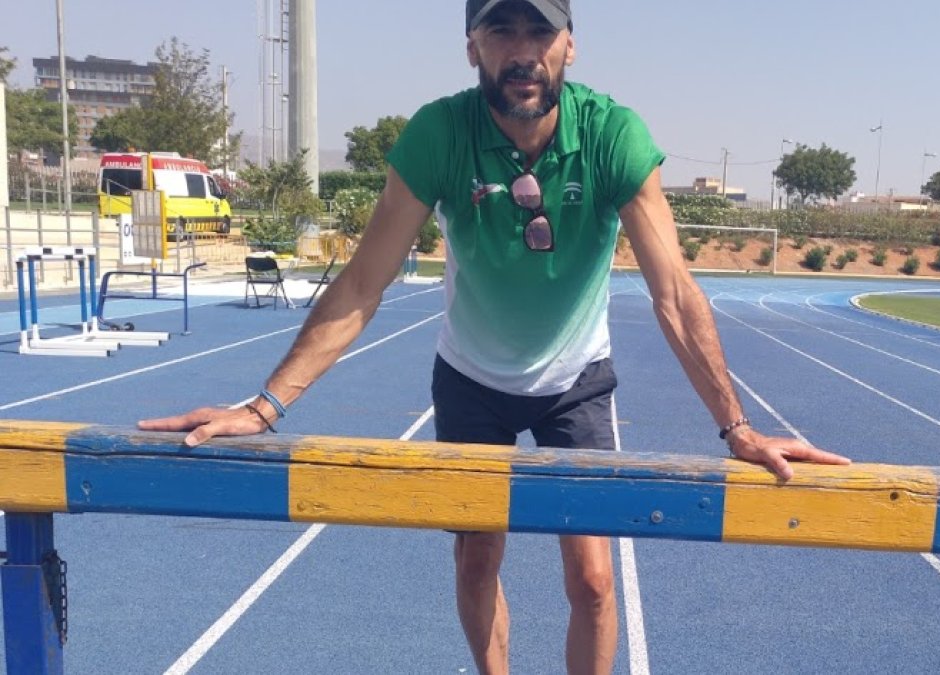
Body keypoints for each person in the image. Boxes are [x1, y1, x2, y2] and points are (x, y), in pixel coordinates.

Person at [140, 1, 851, 673]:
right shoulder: (440, 135)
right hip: (472, 379)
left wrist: (736, 427)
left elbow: (673, 291)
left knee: (596, 580)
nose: (522, 51)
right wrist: (263, 406)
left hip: (575, 381)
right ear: (473, 45)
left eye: (539, 31)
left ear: (569, 43)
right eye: (501, 29)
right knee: (476, 557)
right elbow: (362, 284)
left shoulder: (612, 135)